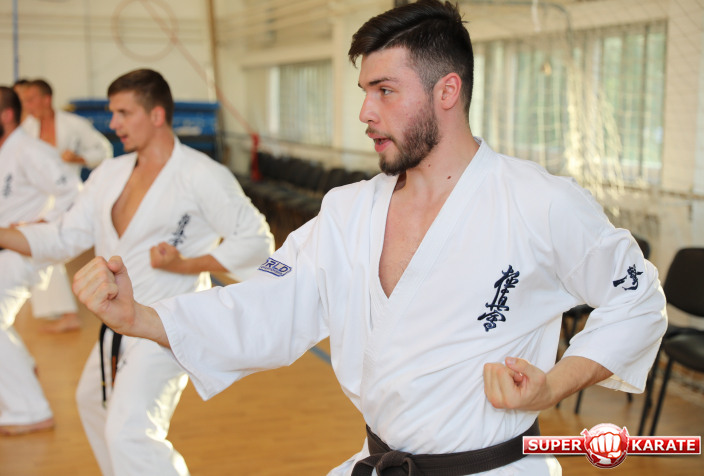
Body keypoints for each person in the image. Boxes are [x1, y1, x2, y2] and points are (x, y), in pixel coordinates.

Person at [71, 2, 667, 475]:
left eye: (384, 90)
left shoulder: (538, 202)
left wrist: (552, 386)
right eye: (364, 91)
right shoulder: (347, 211)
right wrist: (143, 317)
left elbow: (637, 299)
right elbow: (264, 304)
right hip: (379, 461)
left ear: (447, 92)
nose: (365, 112)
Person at [0, 70, 273, 475]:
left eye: (124, 113)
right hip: (119, 322)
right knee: (92, 401)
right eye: (112, 113)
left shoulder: (200, 174)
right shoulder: (110, 173)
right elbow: (62, 236)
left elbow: (256, 241)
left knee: (130, 432)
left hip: (168, 323)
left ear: (157, 115)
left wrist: (185, 263)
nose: (113, 124)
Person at [0, 86, 81, 435]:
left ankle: (30, 410)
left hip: (22, 252)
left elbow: (72, 192)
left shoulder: (30, 151)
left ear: (6, 115)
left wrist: (43, 224)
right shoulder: (7, 151)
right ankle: (22, 365)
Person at [21, 79, 114, 332]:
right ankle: (61, 310)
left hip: (71, 197)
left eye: (30, 99)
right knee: (42, 247)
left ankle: (68, 312)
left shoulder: (74, 124)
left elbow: (104, 150)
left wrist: (79, 157)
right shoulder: (25, 130)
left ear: (46, 99)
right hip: (40, 200)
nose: (27, 105)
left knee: (46, 247)